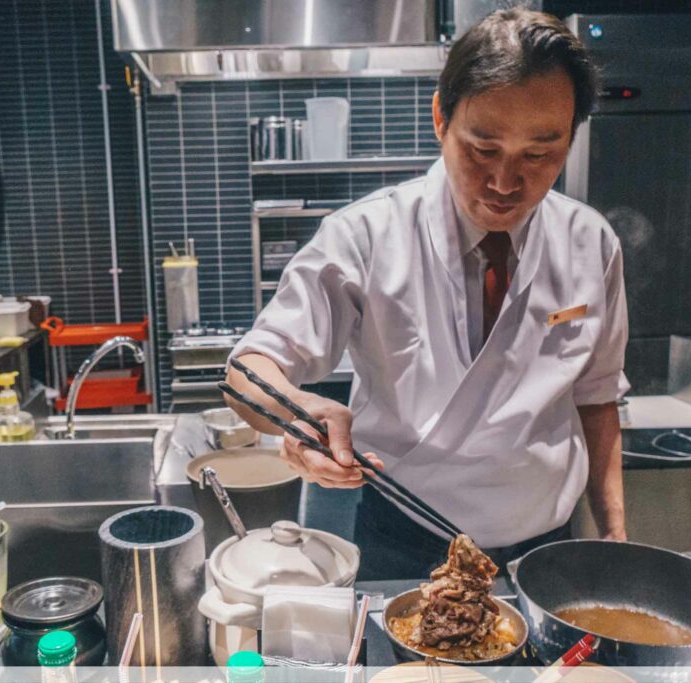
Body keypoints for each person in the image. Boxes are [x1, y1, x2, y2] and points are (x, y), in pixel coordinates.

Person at [225, 8, 629, 580]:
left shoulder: (591, 242)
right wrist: (296, 417)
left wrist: (613, 533)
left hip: (548, 547)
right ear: (441, 117)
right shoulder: (366, 234)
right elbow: (247, 372)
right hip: (406, 541)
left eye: (540, 154)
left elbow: (597, 398)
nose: (506, 183)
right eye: (483, 149)